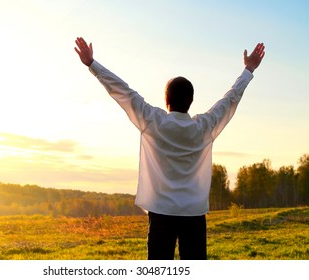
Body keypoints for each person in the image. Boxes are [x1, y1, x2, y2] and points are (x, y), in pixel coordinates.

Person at [74, 37, 265, 260]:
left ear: (166, 99)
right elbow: (231, 98)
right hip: (193, 214)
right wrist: (248, 70)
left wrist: (92, 65)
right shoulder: (204, 126)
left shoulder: (153, 121)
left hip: (161, 213)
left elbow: (122, 91)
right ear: (191, 100)